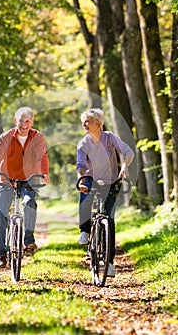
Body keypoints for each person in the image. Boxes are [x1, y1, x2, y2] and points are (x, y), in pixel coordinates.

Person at [0, 106, 49, 268]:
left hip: (29, 179)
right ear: (16, 121)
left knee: (29, 203)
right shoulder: (5, 137)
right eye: (21, 121)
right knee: (0, 215)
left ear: (32, 122)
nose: (24, 124)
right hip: (6, 180)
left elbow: (43, 156)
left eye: (27, 121)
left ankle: (28, 240)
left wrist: (44, 173)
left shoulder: (37, 137)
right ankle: (1, 254)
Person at [76, 108, 134, 277]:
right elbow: (80, 165)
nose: (84, 124)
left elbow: (128, 152)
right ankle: (85, 231)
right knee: (85, 197)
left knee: (109, 218)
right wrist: (83, 176)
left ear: (98, 123)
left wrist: (124, 167)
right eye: (83, 121)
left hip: (111, 181)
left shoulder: (109, 138)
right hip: (90, 178)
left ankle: (109, 263)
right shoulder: (83, 143)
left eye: (87, 121)